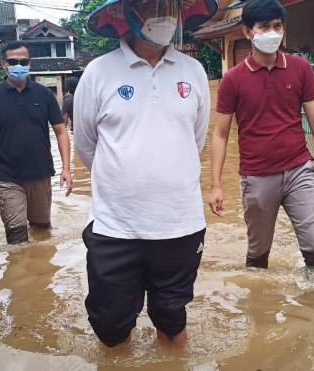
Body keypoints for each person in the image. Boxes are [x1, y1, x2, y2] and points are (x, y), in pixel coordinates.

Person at [74, 0, 217, 348]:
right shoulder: (97, 73)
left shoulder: (194, 72)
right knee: (110, 327)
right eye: (152, 5)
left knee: (171, 320)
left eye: (170, 5)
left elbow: (193, 141)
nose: (164, 15)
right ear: (126, 13)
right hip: (115, 228)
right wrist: (125, 181)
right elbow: (86, 145)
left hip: (179, 226)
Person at [209, 0, 314, 269]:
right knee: (258, 255)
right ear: (248, 32)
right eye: (264, 27)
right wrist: (216, 185)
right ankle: (259, 308)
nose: (273, 32)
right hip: (256, 176)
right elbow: (220, 134)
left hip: (299, 171)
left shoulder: (300, 68)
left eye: (277, 26)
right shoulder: (232, 80)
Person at [0, 40, 72, 245]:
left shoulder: (44, 95)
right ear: (4, 64)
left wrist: (67, 169)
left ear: (30, 63)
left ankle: (40, 276)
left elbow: (61, 131)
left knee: (42, 233)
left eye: (23, 61)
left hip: (41, 175)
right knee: (16, 241)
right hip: (7, 177)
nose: (19, 65)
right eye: (13, 61)